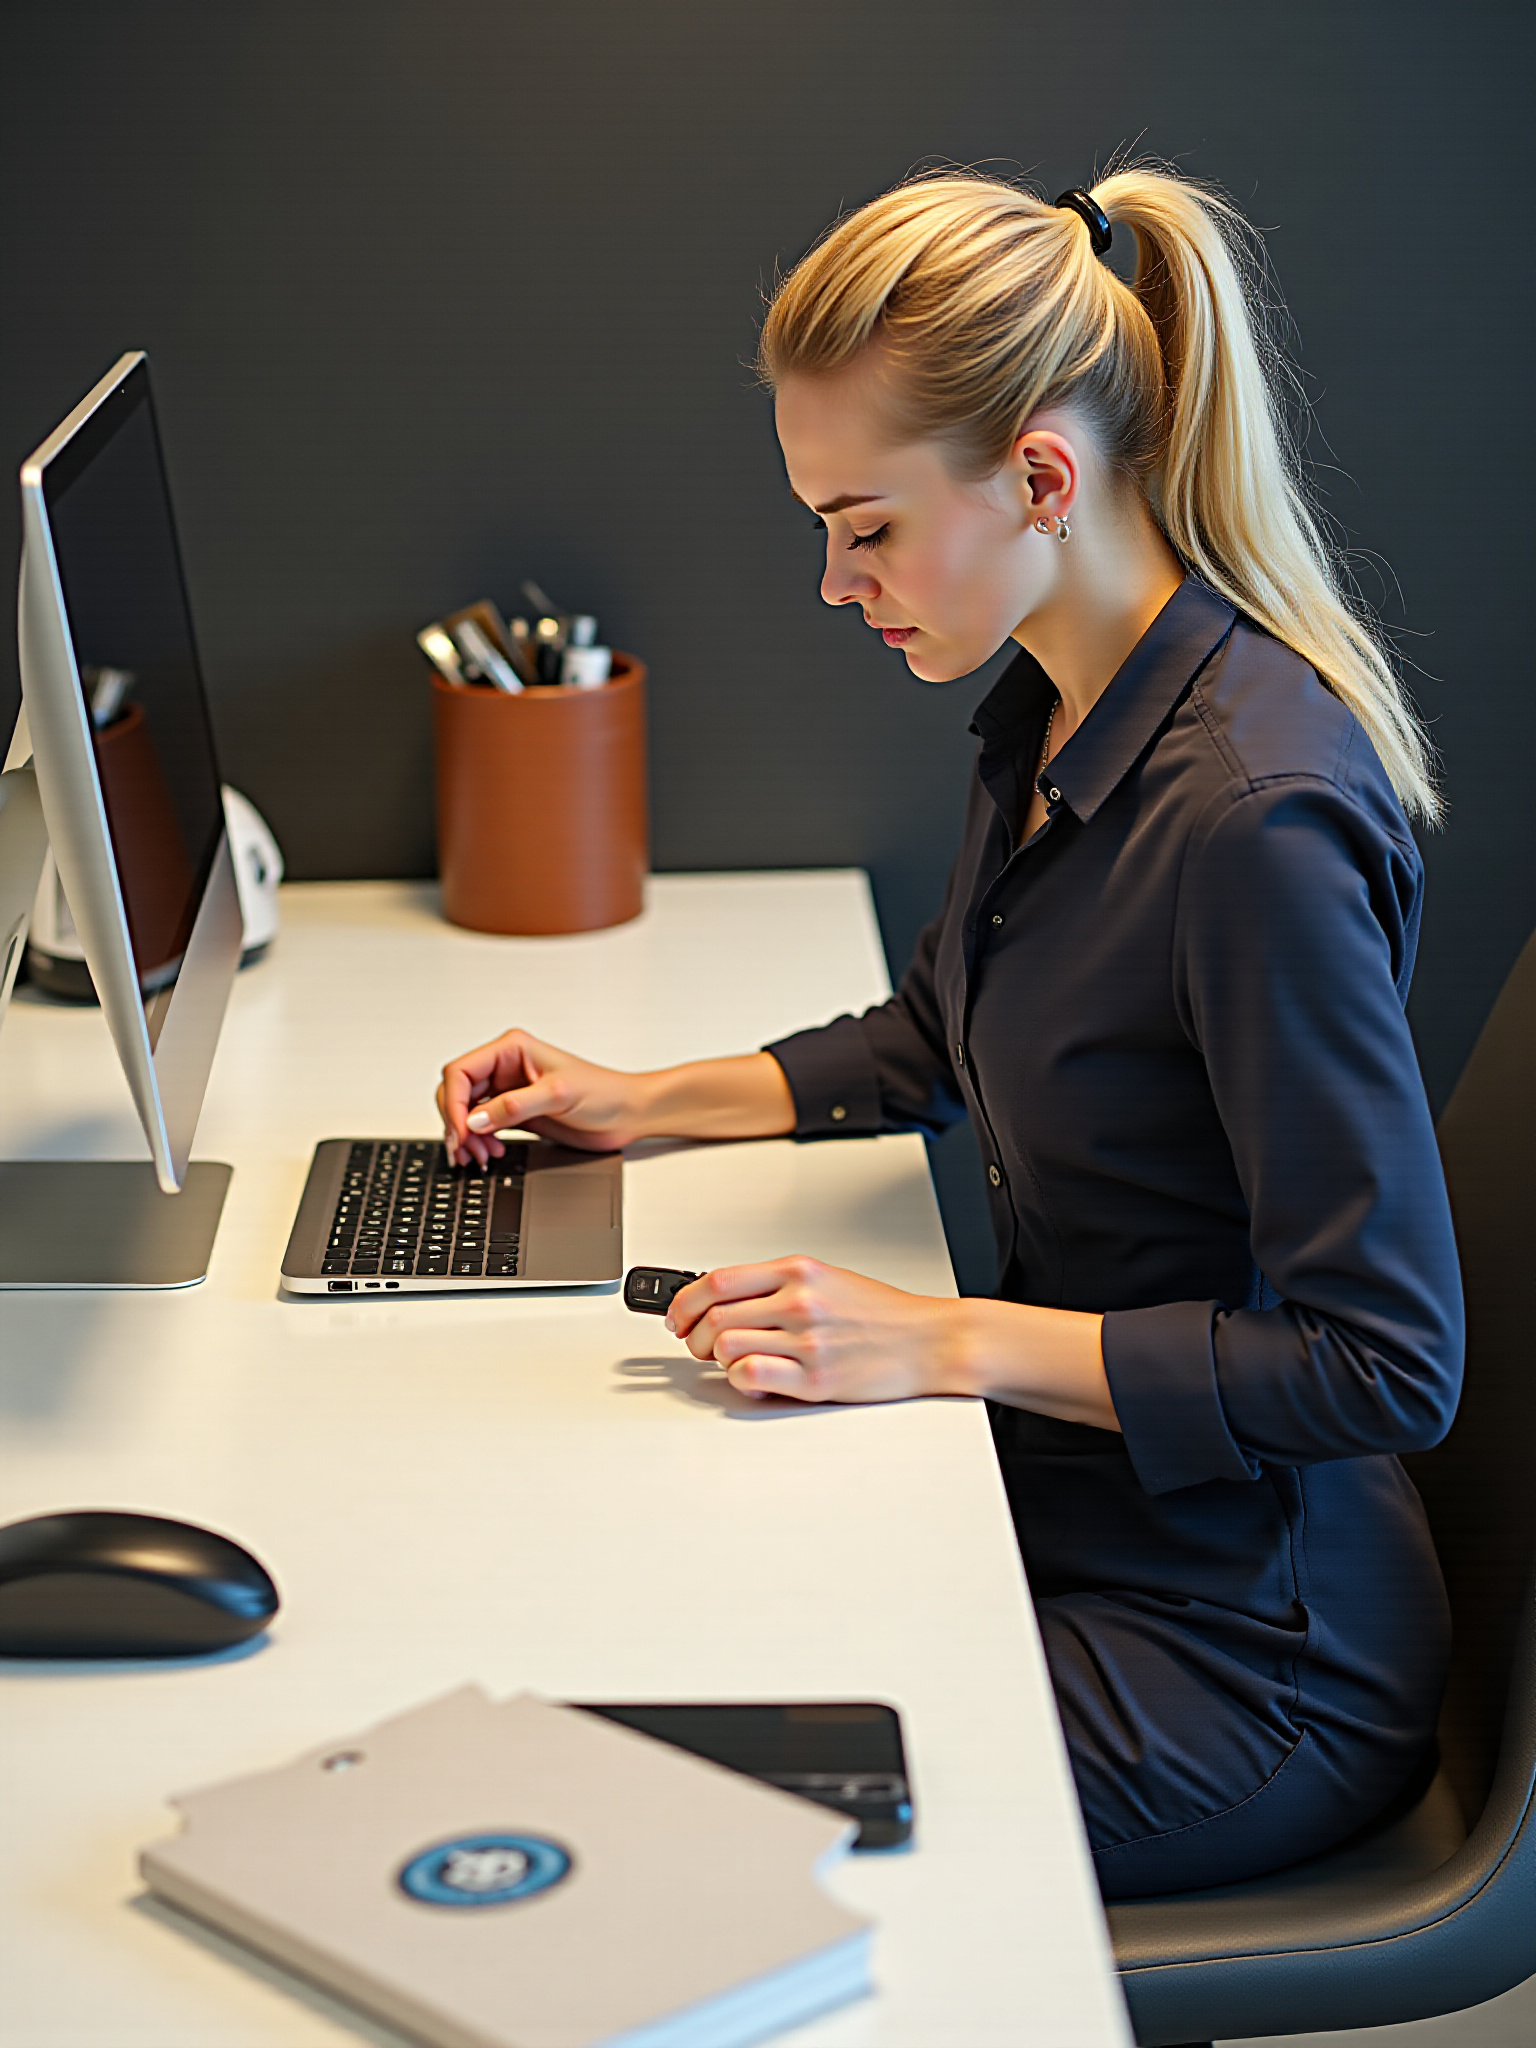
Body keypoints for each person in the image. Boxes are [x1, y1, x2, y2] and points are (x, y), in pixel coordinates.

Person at [437, 169, 1464, 1900]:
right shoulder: (1059, 703)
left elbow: (1382, 1365)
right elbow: (946, 1025)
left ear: (1042, 480)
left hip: (1249, 1655)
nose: (836, 585)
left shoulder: (1249, 821)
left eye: (867, 527)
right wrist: (644, 1105)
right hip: (1089, 1511)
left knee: (650, 1848)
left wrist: (941, 1340)